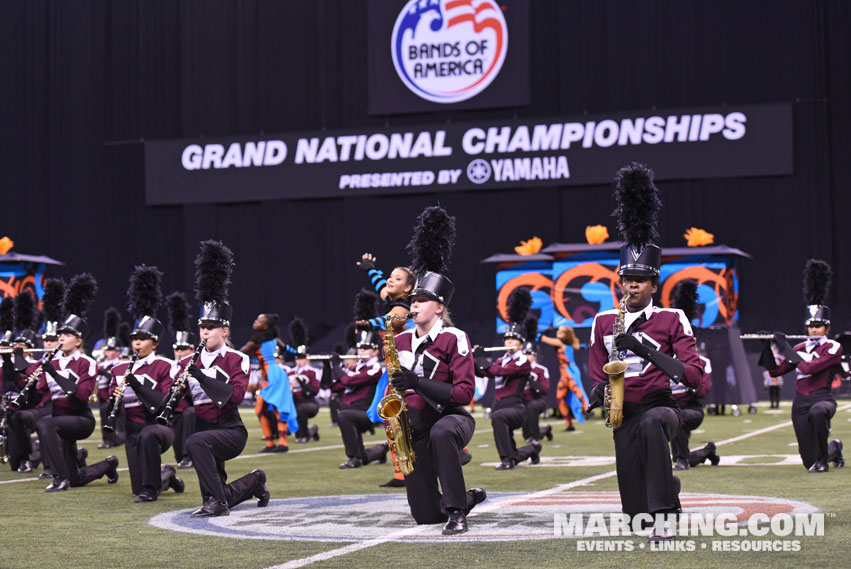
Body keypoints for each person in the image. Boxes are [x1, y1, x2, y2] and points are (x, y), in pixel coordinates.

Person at [588, 164, 704, 540]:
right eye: (627, 280)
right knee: (635, 517)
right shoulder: (604, 320)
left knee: (655, 425)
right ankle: (666, 491)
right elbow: (595, 370)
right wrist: (596, 393)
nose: (631, 286)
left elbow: (694, 376)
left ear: (654, 284)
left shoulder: (673, 318)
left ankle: (666, 516)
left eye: (639, 281)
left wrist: (641, 347)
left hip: (661, 406)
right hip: (624, 412)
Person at [389, 205, 485, 535]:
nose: (413, 305)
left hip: (451, 416)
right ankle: (465, 498)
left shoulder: (454, 338)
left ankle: (458, 511)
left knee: (443, 434)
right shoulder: (399, 341)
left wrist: (417, 381)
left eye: (421, 300)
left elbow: (463, 393)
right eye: (412, 300)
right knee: (425, 516)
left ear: (439, 307)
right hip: (414, 426)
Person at [176, 240, 268, 517]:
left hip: (230, 431)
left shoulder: (237, 359)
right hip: (204, 430)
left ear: (225, 331)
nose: (204, 333)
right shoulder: (186, 362)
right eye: (202, 327)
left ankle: (218, 505)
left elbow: (236, 396)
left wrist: (199, 376)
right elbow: (180, 402)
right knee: (218, 489)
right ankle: (254, 482)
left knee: (195, 443)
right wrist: (174, 394)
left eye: (211, 327)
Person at [29, 274, 120, 491]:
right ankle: (108, 464)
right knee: (77, 478)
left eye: (67, 334)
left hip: (80, 420)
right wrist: (31, 384)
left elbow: (81, 396)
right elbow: (38, 400)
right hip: (60, 422)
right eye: (60, 333)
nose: (61, 337)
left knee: (45, 424)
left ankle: (59, 477)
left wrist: (54, 373)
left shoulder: (85, 362)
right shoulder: (50, 360)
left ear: (78, 340)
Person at [108, 265, 184, 502]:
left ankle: (152, 489)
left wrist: (137, 385)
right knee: (137, 486)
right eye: (134, 339)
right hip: (132, 431)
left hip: (159, 428)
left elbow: (163, 404)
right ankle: (167, 475)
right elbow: (115, 403)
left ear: (154, 342)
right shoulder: (119, 369)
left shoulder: (165, 366)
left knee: (149, 438)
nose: (137, 344)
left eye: (142, 339)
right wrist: (114, 400)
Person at [763, 259, 844, 472]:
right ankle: (834, 448)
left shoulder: (834, 347)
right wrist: (768, 348)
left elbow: (810, 369)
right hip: (800, 402)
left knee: (818, 413)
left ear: (827, 328)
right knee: (809, 461)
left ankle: (823, 460)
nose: (815, 330)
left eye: (819, 326)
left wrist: (787, 349)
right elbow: (776, 371)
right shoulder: (799, 347)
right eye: (811, 326)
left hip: (822, 398)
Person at [477, 289, 542, 470]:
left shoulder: (522, 361)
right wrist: (473, 359)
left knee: (498, 417)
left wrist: (481, 360)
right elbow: (484, 373)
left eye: (514, 340)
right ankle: (529, 450)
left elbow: (499, 371)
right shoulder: (501, 359)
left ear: (521, 344)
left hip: (516, 407)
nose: (509, 343)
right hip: (500, 404)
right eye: (507, 340)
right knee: (499, 419)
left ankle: (506, 460)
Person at [667, 280, 718, 470]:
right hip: (669, 407)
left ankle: (682, 460)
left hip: (692, 410)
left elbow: (702, 392)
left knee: (676, 419)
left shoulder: (703, 362)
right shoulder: (664, 359)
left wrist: (691, 381)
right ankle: (706, 451)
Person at [334, 329, 389, 468]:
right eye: (359, 348)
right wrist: (327, 366)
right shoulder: (355, 367)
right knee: (363, 457)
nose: (361, 351)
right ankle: (381, 450)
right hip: (353, 412)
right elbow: (333, 387)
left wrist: (336, 365)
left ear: (375, 351)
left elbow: (347, 381)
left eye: (366, 348)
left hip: (368, 413)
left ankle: (354, 458)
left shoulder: (376, 368)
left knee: (344, 416)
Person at [166, 291, 197, 468]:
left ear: (192, 350)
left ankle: (189, 455)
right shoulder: (169, 365)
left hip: (192, 407)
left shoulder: (196, 365)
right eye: (177, 348)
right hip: (174, 409)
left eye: (183, 348)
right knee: (177, 454)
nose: (179, 351)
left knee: (188, 414)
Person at [520, 317, 553, 444]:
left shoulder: (541, 370)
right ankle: (545, 430)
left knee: (531, 407)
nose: (527, 357)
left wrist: (530, 377)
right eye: (525, 354)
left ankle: (534, 437)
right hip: (523, 400)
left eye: (529, 354)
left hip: (538, 400)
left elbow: (544, 390)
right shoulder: (517, 367)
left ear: (535, 356)